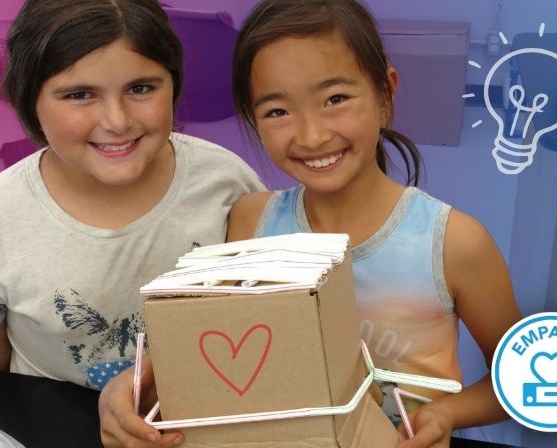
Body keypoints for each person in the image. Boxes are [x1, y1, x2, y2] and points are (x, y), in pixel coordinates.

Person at [99, 1, 522, 447]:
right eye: (277, 111)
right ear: (254, 121)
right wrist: (132, 387)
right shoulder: (250, 222)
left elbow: (519, 380)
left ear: (384, 95)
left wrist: (446, 413)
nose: (312, 135)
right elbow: (219, 353)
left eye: (335, 99)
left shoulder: (454, 243)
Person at [0, 0, 263, 400]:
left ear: (174, 84)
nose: (117, 121)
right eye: (79, 94)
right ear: (29, 101)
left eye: (141, 88)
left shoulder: (227, 184)